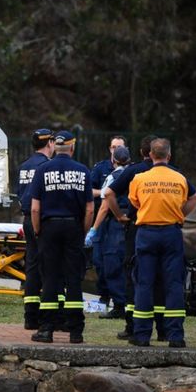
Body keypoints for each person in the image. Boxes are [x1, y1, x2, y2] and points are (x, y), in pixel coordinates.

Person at [127, 138, 196, 348]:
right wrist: (179, 213)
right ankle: (175, 336)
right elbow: (195, 198)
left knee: (144, 283)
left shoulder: (139, 178)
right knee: (174, 284)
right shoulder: (180, 178)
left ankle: (141, 335)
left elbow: (135, 204)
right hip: (171, 233)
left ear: (150, 155)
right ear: (169, 156)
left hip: (146, 233)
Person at [29, 131, 94, 344]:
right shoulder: (83, 171)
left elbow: (35, 209)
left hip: (49, 227)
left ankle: (46, 329)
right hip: (74, 226)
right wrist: (83, 231)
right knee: (73, 278)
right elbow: (90, 209)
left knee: (50, 278)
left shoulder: (42, 170)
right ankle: (76, 331)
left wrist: (38, 230)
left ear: (55, 147)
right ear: (72, 148)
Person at [104, 134, 169, 341]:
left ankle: (133, 326)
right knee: (162, 278)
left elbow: (108, 193)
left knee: (135, 277)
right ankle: (164, 329)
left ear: (143, 153)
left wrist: (120, 216)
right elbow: (191, 196)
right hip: (167, 229)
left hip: (137, 229)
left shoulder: (134, 171)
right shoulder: (173, 174)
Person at [17, 128, 55, 330]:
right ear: (50, 143)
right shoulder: (47, 167)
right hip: (42, 219)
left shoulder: (24, 166)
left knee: (31, 267)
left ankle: (30, 316)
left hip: (27, 219)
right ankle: (49, 316)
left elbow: (19, 193)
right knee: (49, 267)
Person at [91, 145, 131, 319]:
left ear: (113, 160)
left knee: (111, 262)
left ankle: (119, 306)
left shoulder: (113, 176)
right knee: (128, 263)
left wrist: (93, 229)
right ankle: (129, 303)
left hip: (116, 222)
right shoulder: (137, 174)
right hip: (133, 221)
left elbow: (105, 206)